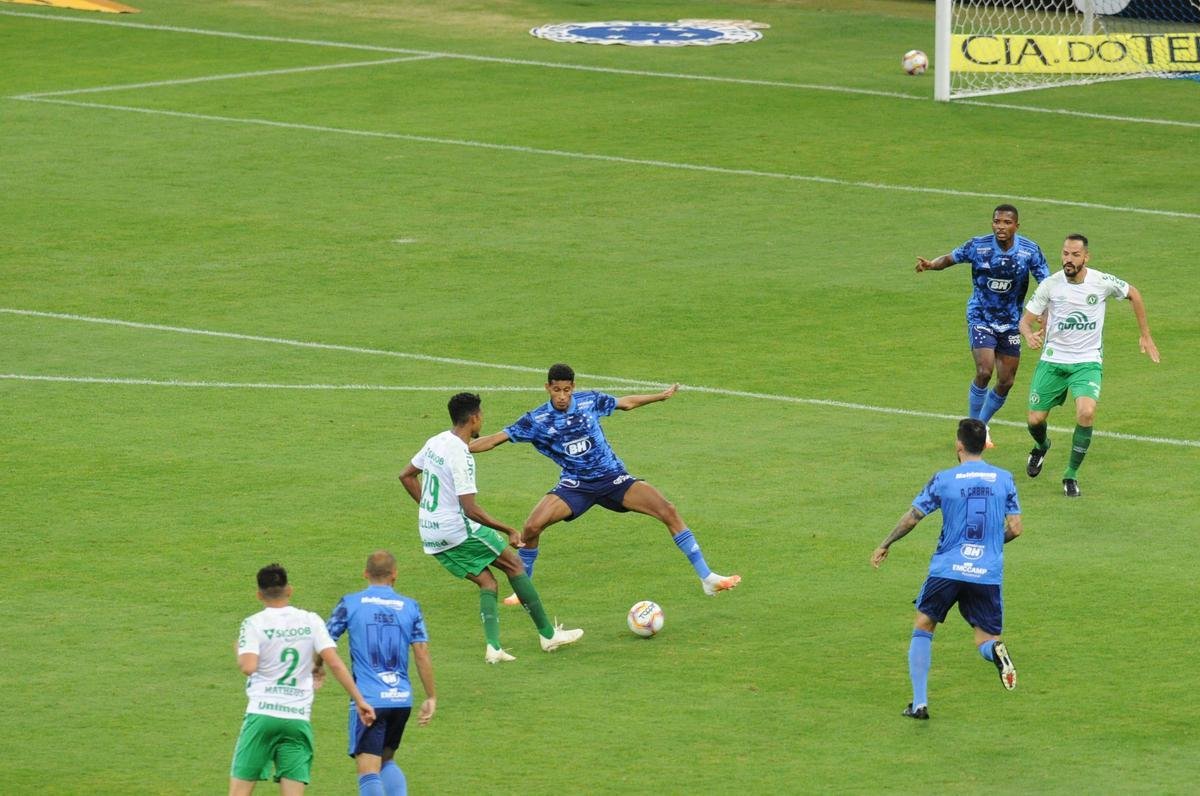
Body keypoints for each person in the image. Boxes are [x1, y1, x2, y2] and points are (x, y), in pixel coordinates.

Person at [469, 363, 740, 605]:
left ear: (573, 387)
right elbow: (494, 439)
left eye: (566, 390)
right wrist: (459, 446)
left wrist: (660, 396)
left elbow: (626, 403)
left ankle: (707, 577)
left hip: (613, 479)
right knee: (531, 526)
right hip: (576, 485)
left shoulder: (590, 401)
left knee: (667, 509)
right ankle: (522, 589)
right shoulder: (536, 420)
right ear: (547, 388)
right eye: (556, 390)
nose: (562, 396)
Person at [398, 392, 583, 663]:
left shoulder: (436, 441)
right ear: (473, 418)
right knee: (515, 566)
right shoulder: (461, 455)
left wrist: (429, 509)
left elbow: (406, 475)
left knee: (487, 581)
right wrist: (508, 529)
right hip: (457, 529)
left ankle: (493, 648)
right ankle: (547, 635)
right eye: (481, 415)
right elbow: (470, 509)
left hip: (430, 533)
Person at [870, 419, 1022, 720]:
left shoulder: (944, 479)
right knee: (986, 638)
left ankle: (920, 703)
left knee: (924, 625)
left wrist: (885, 543)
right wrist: (991, 544)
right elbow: (1016, 529)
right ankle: (995, 653)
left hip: (947, 569)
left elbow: (913, 517)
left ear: (959, 445)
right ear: (984, 445)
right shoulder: (1004, 479)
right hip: (987, 571)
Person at [1018, 233, 1159, 498]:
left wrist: (1145, 334)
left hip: (1087, 362)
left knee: (1086, 413)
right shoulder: (1050, 285)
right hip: (1053, 360)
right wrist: (1028, 335)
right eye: (1065, 254)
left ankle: (1070, 475)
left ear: (1086, 257)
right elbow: (1025, 320)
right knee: (1034, 420)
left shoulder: (1101, 282)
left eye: (1074, 255)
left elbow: (1134, 294)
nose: (1068, 260)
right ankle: (1042, 445)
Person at [230, 564, 375, 795]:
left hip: (262, 715)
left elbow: (248, 667)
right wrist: (360, 701)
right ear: (289, 589)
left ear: (259, 594)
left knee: (239, 792)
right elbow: (335, 663)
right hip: (297, 719)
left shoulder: (253, 623)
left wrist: (239, 650)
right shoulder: (310, 620)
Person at [917, 204, 1050, 446]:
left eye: (1006, 223)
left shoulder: (1029, 251)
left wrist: (1044, 311)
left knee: (1006, 380)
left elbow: (1046, 283)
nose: (1000, 227)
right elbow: (950, 258)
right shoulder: (978, 246)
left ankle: (982, 424)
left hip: (1011, 322)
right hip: (981, 317)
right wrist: (930, 265)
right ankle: (972, 426)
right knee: (984, 371)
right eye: (997, 221)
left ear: (1016, 226)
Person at [323, 551, 436, 796]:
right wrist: (430, 696)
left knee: (368, 770)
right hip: (401, 699)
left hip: (369, 699)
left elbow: (324, 640)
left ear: (365, 573)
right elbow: (422, 652)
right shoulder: (410, 606)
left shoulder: (350, 603)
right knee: (386, 760)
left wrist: (315, 667)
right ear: (395, 575)